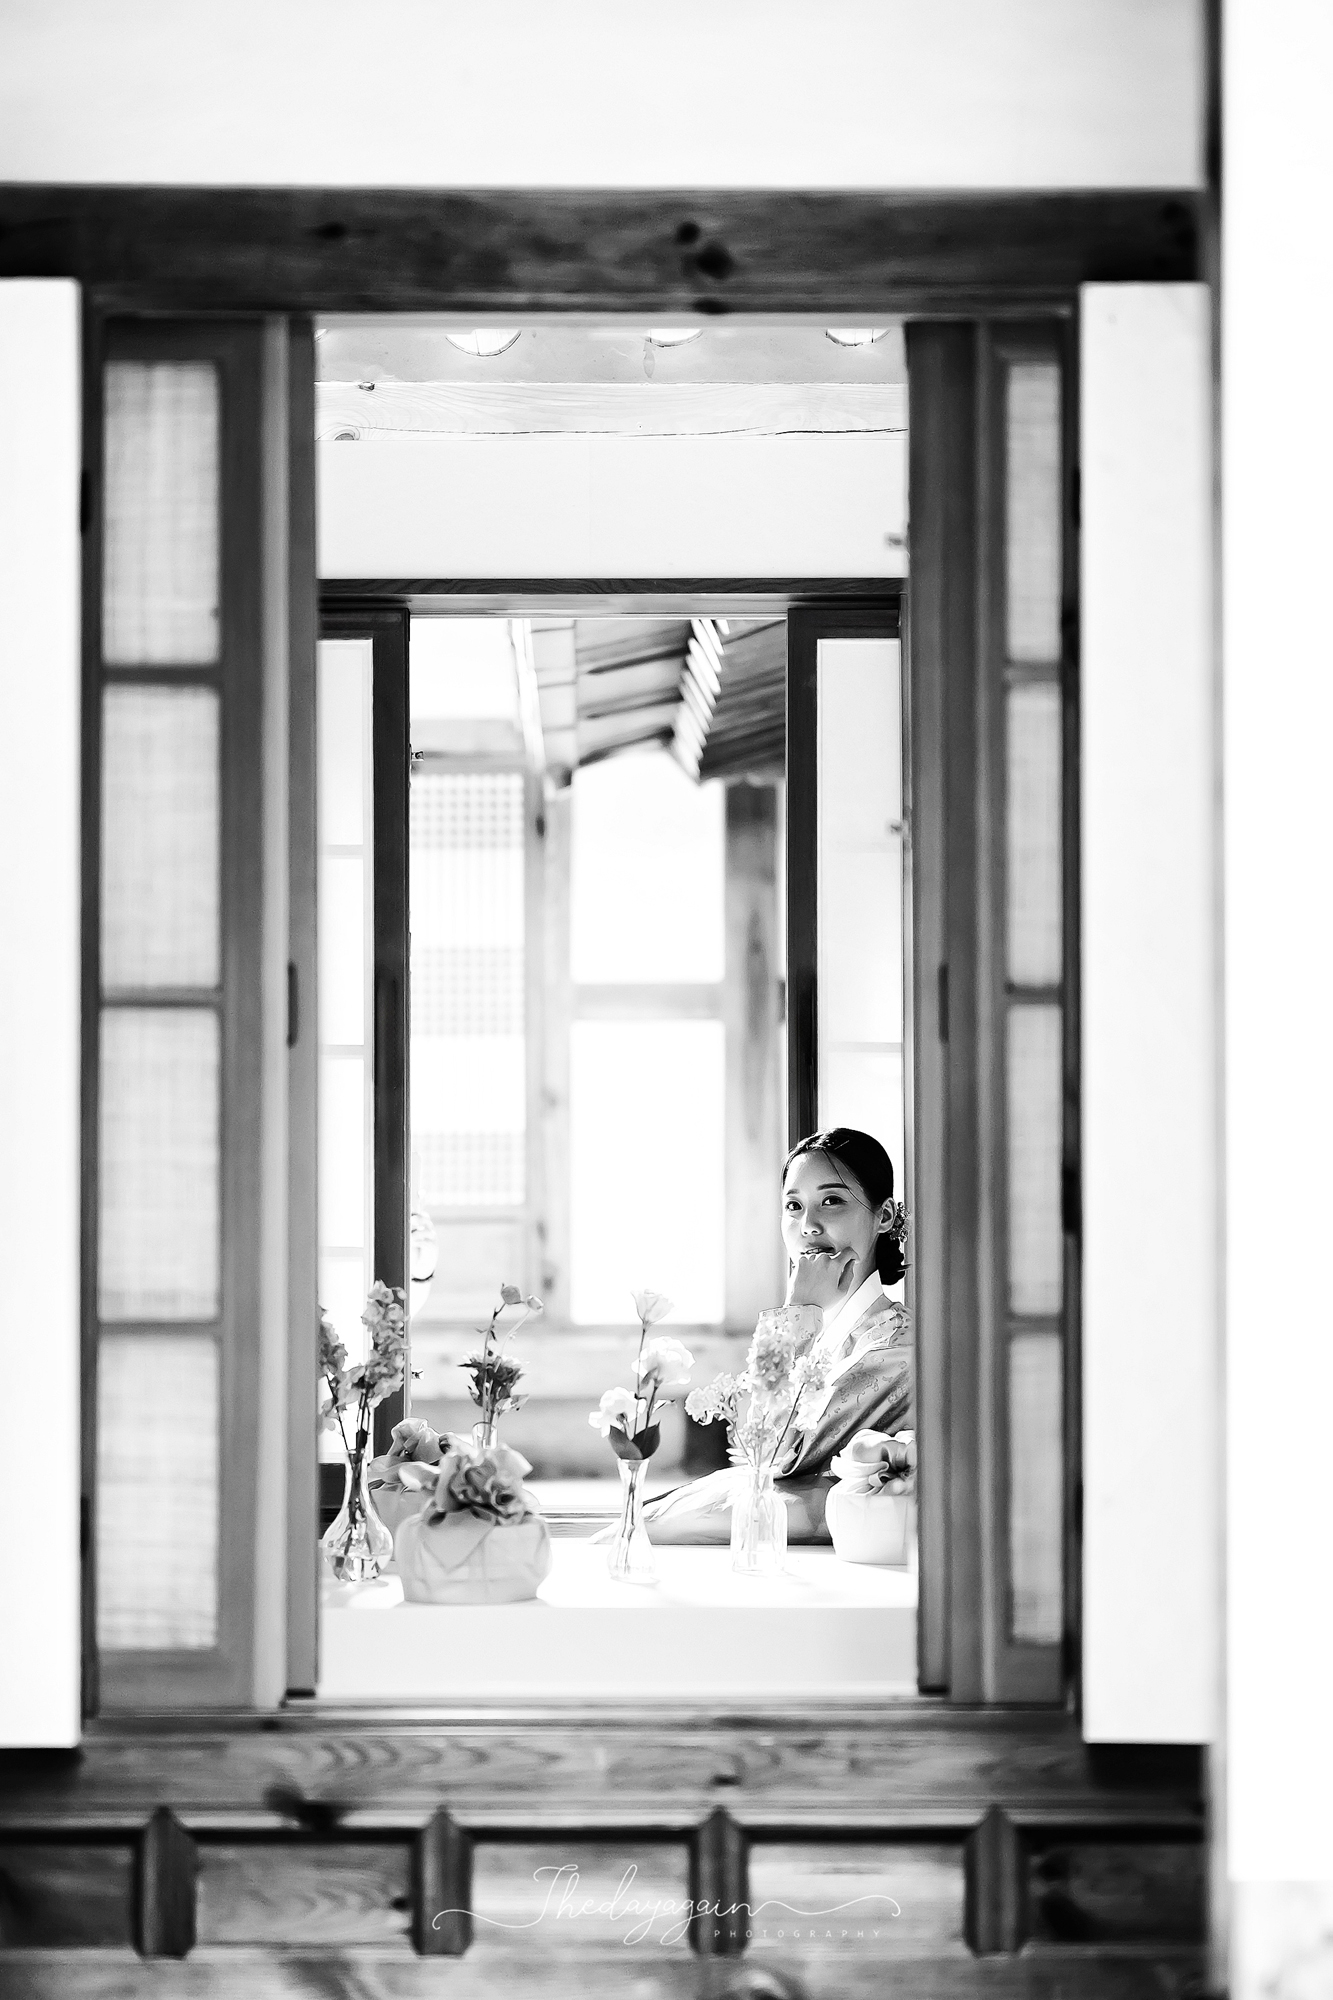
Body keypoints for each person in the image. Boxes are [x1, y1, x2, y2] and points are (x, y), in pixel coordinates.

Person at [631, 1127, 912, 1545]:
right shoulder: (825, 1333)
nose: (808, 1225)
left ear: (884, 1216)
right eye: (793, 1206)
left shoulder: (896, 1348)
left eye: (832, 1201)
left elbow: (770, 1456)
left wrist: (797, 1310)